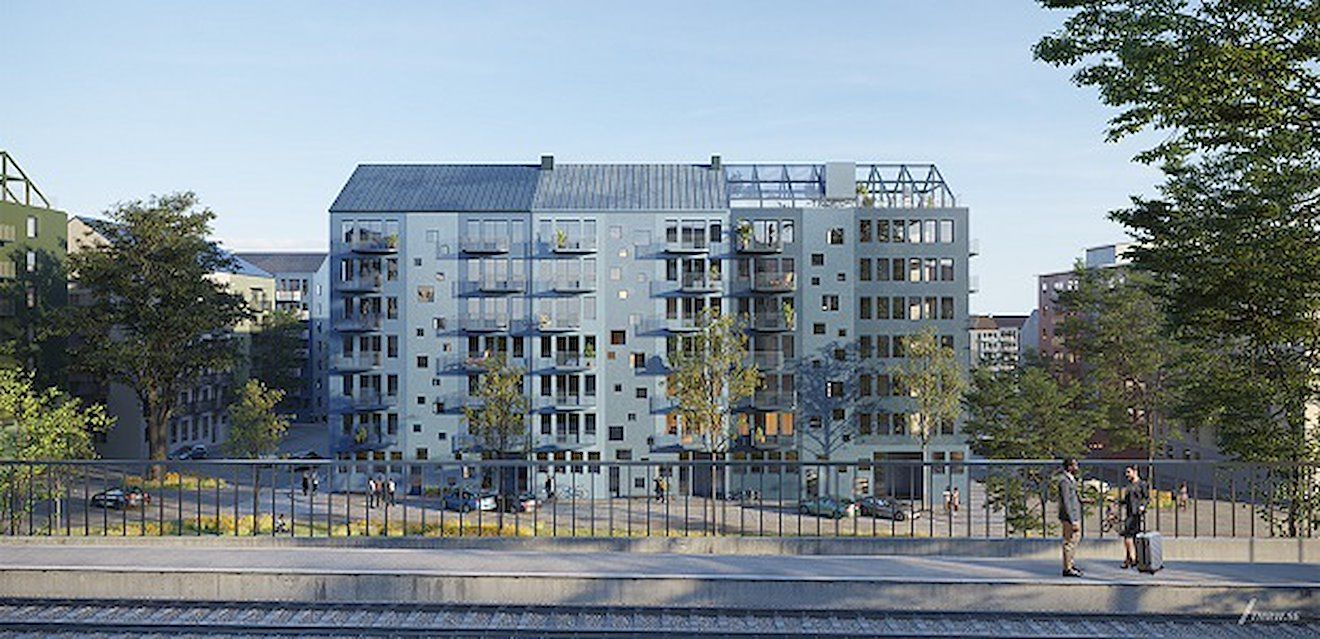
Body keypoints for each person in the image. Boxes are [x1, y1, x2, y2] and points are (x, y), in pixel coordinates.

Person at [1057, 458, 1084, 577]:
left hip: (1075, 515)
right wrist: (1072, 520)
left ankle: (1070, 564)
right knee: (1069, 542)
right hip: (1069, 518)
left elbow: (1073, 497)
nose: (1077, 467)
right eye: (1075, 465)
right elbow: (1066, 502)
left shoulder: (1071, 479)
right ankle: (1067, 568)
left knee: (1075, 540)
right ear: (1069, 467)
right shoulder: (1064, 481)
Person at [1120, 465, 1150, 570]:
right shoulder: (1129, 485)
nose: (1127, 474)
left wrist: (1142, 506)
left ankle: (1132, 558)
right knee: (1128, 536)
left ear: (1135, 471)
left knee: (1129, 536)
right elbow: (1126, 500)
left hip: (1136, 513)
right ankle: (1129, 559)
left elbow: (1146, 498)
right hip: (1129, 513)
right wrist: (1117, 502)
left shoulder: (1142, 484)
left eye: (1128, 472)